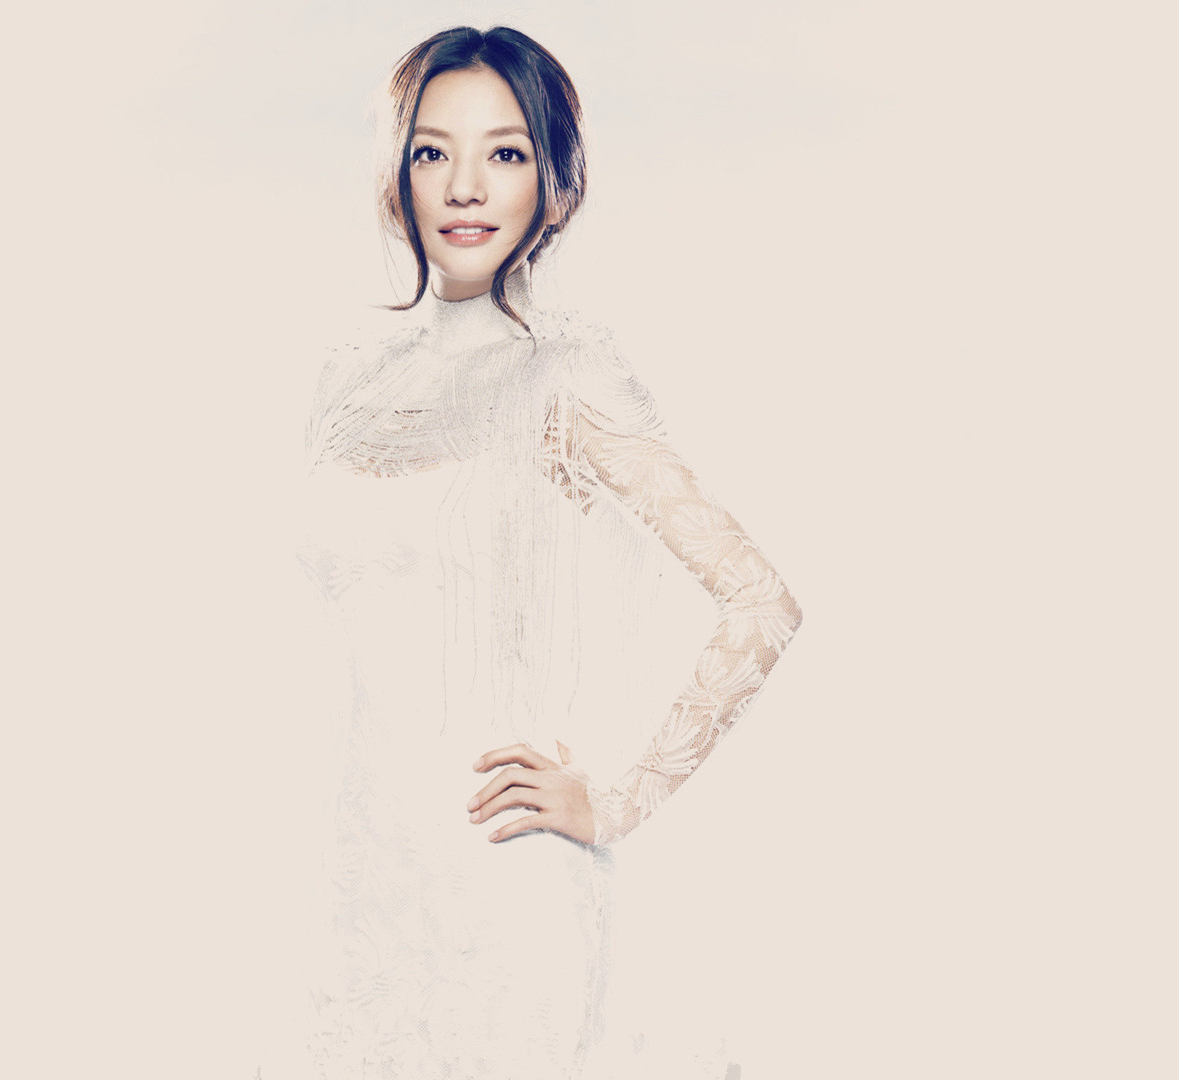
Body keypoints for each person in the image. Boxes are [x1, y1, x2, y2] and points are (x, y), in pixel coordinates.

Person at [289, 25, 801, 1079]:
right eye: (433, 151)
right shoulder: (348, 384)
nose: (465, 187)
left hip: (503, 890)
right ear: (396, 175)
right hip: (357, 885)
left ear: (555, 186)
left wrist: (615, 800)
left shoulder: (563, 378)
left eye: (506, 152)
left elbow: (760, 601)